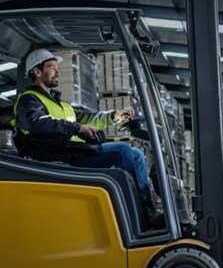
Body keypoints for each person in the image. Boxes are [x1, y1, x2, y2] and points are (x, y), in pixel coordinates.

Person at [11, 48, 162, 229]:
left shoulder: (62, 105)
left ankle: (147, 210)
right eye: (51, 67)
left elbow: (88, 118)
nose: (57, 72)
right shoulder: (28, 100)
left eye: (57, 68)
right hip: (58, 158)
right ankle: (134, 217)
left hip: (74, 152)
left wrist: (115, 116)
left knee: (136, 154)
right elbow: (37, 123)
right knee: (123, 150)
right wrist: (76, 128)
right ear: (37, 72)